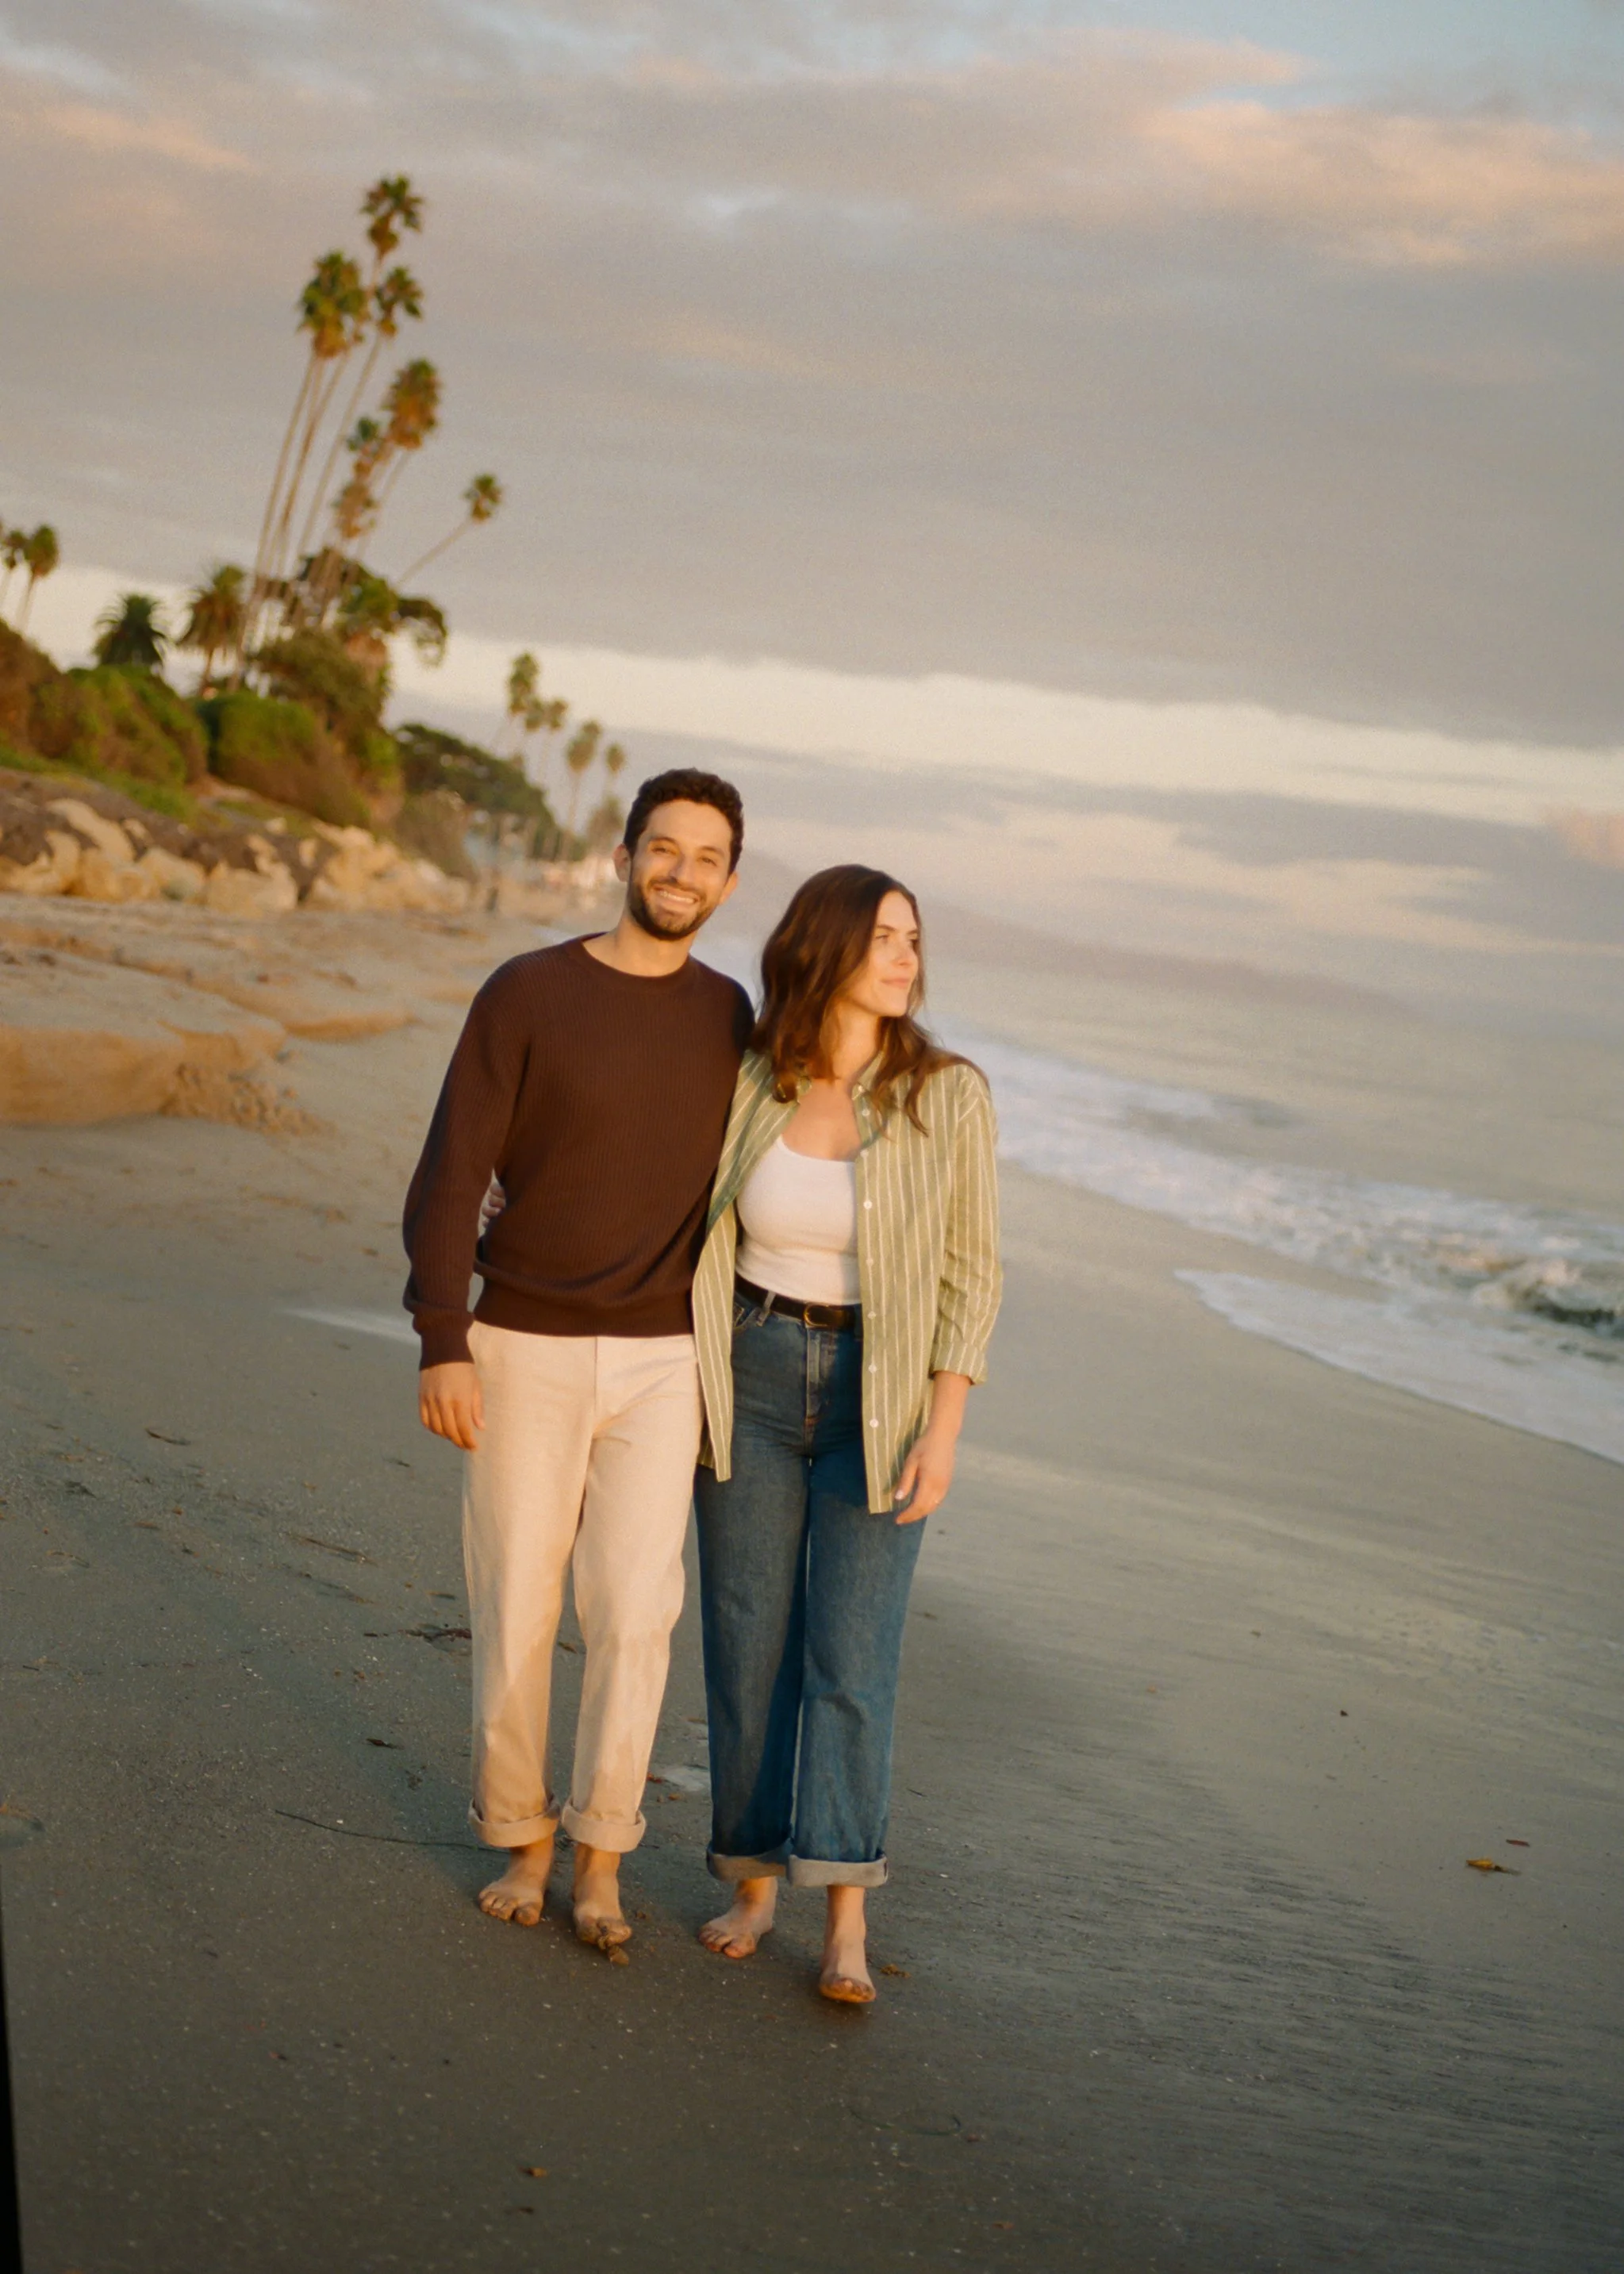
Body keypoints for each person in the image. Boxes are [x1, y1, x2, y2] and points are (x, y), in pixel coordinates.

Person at [403, 768, 752, 1955]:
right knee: (515, 1601)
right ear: (623, 855)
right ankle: (523, 1836)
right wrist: (442, 1338)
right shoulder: (528, 991)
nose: (680, 872)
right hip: (520, 1346)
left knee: (635, 1612)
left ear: (729, 880)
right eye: (664, 848)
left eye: (705, 857)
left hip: (663, 1359)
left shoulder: (731, 1018)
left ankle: (601, 1853)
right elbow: (451, 1171)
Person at [689, 865, 1002, 2002]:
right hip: (751, 1368)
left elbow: (972, 1273)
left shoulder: (947, 1094)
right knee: (746, 1641)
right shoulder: (753, 1079)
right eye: (882, 935)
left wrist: (945, 1426)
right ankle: (752, 1880)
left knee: (852, 1660)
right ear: (824, 944)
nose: (904, 954)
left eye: (914, 936)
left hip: (883, 1393)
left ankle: (845, 1914)